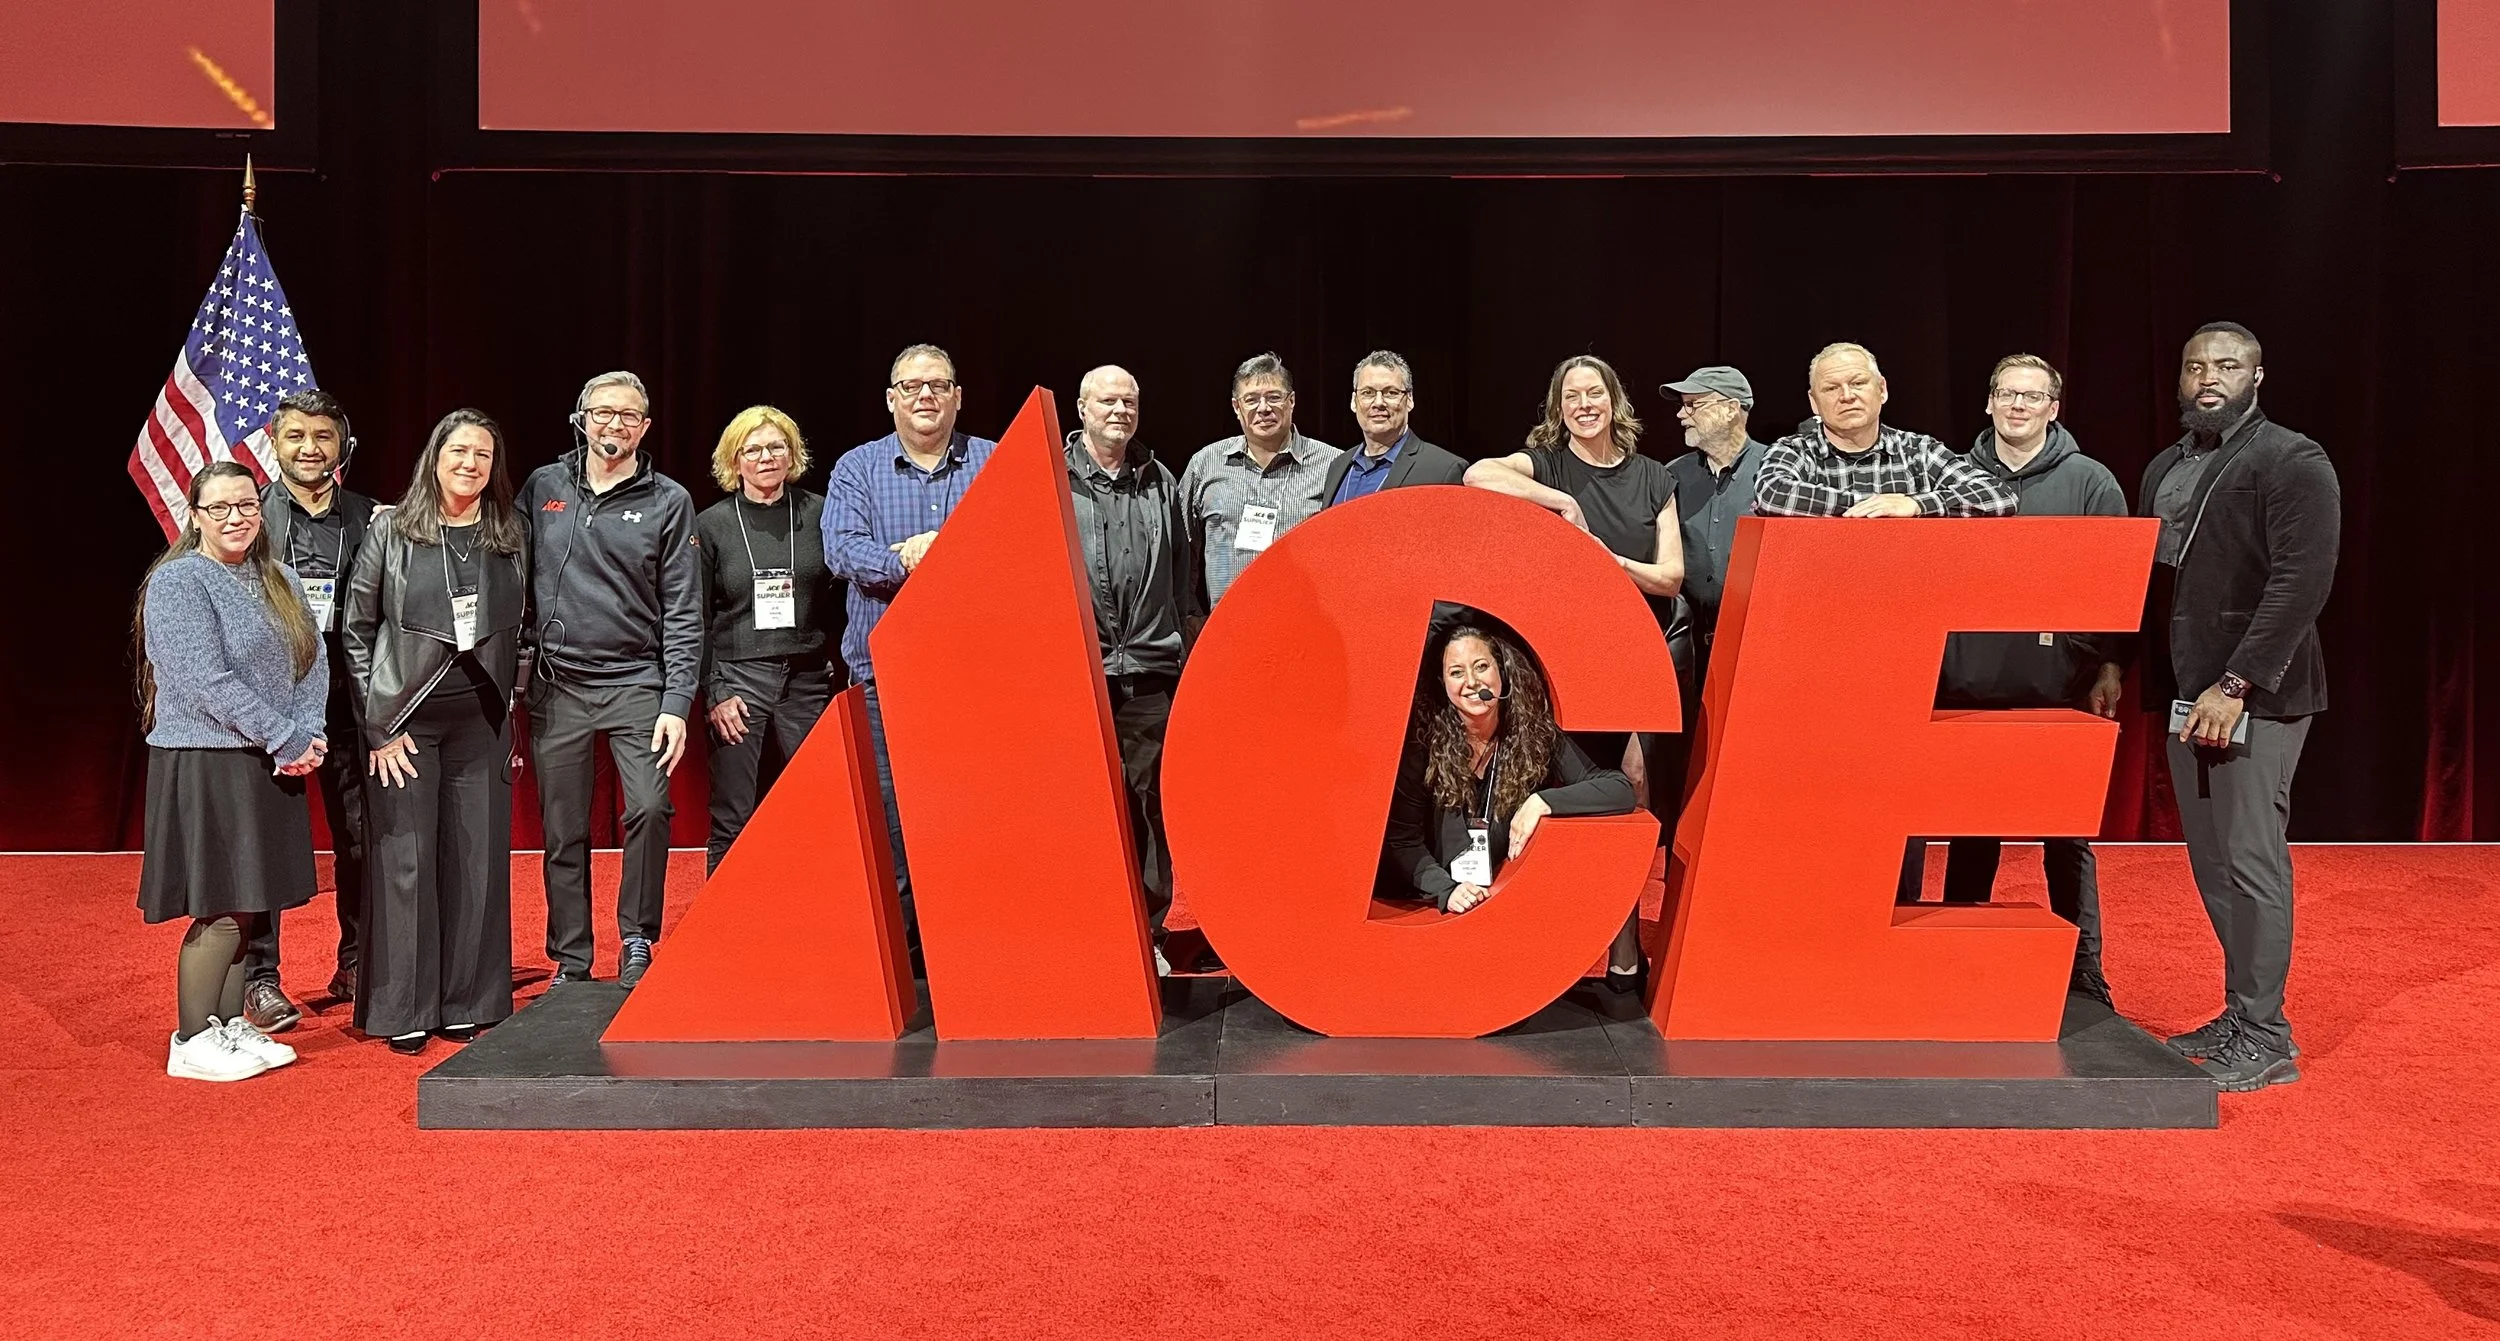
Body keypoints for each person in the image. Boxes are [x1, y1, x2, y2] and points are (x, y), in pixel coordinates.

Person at [1891, 356, 2129, 1006]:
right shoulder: (1949, 480)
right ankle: (1960, 957)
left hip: (2057, 687)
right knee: (1969, 827)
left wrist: (2109, 665)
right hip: (1963, 683)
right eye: (2007, 393)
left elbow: (2115, 583)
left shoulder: (2091, 483)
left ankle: (2083, 974)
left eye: (2032, 395)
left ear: (2054, 407)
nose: (2018, 405)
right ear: (1989, 403)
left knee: (2065, 834)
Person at [2141, 322, 2340, 1092]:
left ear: (2257, 377)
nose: (2208, 378)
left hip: (2253, 694)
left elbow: (2300, 582)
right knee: (2213, 861)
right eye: (2195, 366)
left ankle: (2267, 1035)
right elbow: (2156, 582)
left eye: (2226, 365)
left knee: (2252, 860)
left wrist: (2235, 685)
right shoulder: (2167, 465)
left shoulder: (2292, 458)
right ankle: (2241, 1010)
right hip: (2183, 692)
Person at [133, 461, 327, 1081]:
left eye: (246, 505)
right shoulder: (179, 582)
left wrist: (307, 731)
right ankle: (191, 1040)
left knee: (249, 902)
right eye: (219, 507)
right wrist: (285, 736)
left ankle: (227, 1024)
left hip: (268, 757)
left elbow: (312, 662)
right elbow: (205, 680)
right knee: (220, 906)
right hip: (207, 760)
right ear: (195, 517)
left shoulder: (280, 578)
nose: (236, 517)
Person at [343, 410, 527, 1054]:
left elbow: (522, 627)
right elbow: (357, 631)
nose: (471, 463)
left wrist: (515, 706)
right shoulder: (391, 529)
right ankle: (405, 1007)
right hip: (405, 723)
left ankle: (466, 1001)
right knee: (406, 863)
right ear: (434, 457)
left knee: (476, 862)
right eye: (459, 451)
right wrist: (378, 727)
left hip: (481, 721)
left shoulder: (509, 531)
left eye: (483, 454)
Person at [519, 371, 702, 990]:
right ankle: (571, 958)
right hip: (558, 685)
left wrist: (677, 700)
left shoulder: (669, 500)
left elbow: (684, 609)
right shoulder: (545, 486)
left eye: (627, 415)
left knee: (649, 807)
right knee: (563, 827)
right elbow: (500, 556)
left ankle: (637, 937)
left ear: (644, 427)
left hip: (637, 684)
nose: (614, 424)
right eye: (603, 412)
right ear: (582, 417)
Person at [823, 345, 998, 950]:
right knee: (894, 816)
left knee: (971, 811)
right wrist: (904, 561)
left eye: (938, 385)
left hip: (976, 674)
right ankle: (906, 954)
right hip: (884, 675)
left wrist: (941, 554)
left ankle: (967, 940)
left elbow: (1010, 548)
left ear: (958, 397)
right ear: (891, 398)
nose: (926, 395)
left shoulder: (993, 461)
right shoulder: (857, 467)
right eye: (912, 386)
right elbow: (842, 550)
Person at [1462, 354, 1683, 825]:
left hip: (1638, 653)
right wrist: (1562, 501)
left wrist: (1610, 562)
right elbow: (1478, 475)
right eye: (1572, 397)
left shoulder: (1654, 477)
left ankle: (1633, 877)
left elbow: (1670, 577)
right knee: (1573, 782)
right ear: (1558, 409)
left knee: (1635, 781)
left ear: (1614, 401)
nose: (1584, 405)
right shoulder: (1548, 465)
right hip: (1568, 655)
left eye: (1594, 393)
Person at [1384, 625, 1641, 988]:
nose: (1471, 682)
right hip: (1435, 904)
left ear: (1502, 672)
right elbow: (1403, 840)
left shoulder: (1532, 735)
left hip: (1507, 904)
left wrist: (1542, 801)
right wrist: (1446, 889)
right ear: (1442, 685)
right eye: (1456, 672)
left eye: (1481, 666)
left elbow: (1619, 789)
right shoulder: (1423, 746)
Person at [241, 389, 376, 1032]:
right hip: (271, 707)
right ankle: (260, 978)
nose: (310, 448)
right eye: (296, 435)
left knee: (360, 838)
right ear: (274, 440)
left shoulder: (371, 517)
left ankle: (358, 961)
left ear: (341, 444)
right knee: (266, 844)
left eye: (323, 436)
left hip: (352, 703)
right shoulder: (249, 516)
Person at [1063, 366, 1199, 972]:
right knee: (1083, 805)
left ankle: (1149, 934)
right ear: (1081, 408)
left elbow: (1180, 574)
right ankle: (1090, 930)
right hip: (1076, 673)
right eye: (1108, 401)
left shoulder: (1159, 480)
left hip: (1149, 670)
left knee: (1150, 804)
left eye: (1129, 402)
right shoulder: (1053, 476)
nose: (1119, 411)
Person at [698, 405, 838, 874]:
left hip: (807, 680)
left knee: (817, 806)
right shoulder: (711, 524)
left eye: (776, 447)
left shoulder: (820, 512)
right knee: (733, 815)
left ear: (792, 454)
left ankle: (812, 906)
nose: (766, 457)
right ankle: (725, 915)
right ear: (734, 460)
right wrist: (715, 691)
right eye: (752, 449)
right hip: (738, 681)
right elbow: (695, 616)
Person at [1753, 343, 2018, 519]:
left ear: (1882, 390)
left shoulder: (1919, 451)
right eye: (1831, 388)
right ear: (1814, 402)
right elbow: (1773, 492)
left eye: (1858, 383)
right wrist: (1878, 506)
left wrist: (1916, 505)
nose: (1847, 396)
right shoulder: (1795, 451)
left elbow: (1999, 495)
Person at [1179, 352, 1341, 608]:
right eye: (1251, 399)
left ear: (1291, 401)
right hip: (1228, 623)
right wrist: (1189, 611)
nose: (1263, 408)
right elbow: (1181, 549)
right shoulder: (1205, 464)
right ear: (1237, 407)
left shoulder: (1332, 464)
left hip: (1307, 621)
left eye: (1274, 397)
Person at [1321, 350, 1467, 505]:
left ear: (1409, 400)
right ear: (1353, 401)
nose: (1378, 403)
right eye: (1368, 393)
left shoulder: (1442, 470)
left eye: (1391, 392)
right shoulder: (1338, 466)